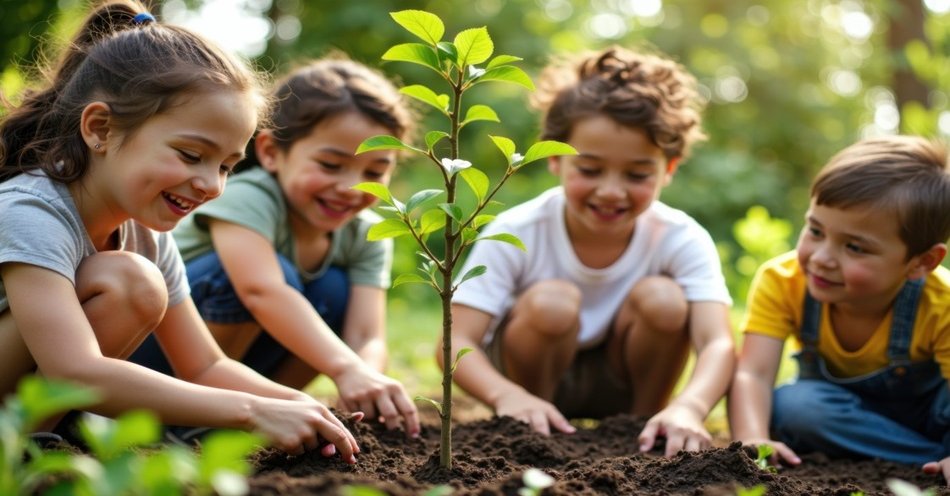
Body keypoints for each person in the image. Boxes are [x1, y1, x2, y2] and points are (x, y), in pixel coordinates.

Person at [0, 0, 360, 461]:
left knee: (133, 280)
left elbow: (205, 364)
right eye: (191, 155)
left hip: (26, 409)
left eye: (228, 166)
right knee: (130, 281)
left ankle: (34, 448)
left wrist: (295, 404)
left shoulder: (147, 231)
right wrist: (251, 412)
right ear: (100, 128)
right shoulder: (33, 210)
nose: (212, 185)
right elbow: (75, 372)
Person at [440, 46, 736, 457]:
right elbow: (454, 342)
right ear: (554, 158)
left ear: (668, 169)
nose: (611, 191)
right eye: (590, 169)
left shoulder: (679, 236)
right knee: (552, 303)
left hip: (622, 382)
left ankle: (643, 433)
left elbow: (717, 342)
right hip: (530, 378)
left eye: (636, 174)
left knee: (665, 300)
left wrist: (691, 406)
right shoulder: (519, 229)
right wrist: (507, 397)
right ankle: (532, 431)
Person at [128, 57, 420, 436]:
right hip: (159, 355)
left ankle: (252, 418)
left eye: (375, 172)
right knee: (246, 276)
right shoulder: (248, 197)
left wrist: (364, 377)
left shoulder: (366, 233)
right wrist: (345, 367)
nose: (351, 186)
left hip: (239, 369)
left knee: (334, 289)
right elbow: (260, 291)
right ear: (269, 152)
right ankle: (187, 418)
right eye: (331, 164)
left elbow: (366, 335)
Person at [728, 135, 950, 480]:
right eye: (815, 230)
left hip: (932, 413)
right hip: (843, 415)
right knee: (795, 407)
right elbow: (752, 374)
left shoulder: (942, 302)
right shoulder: (782, 281)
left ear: (922, 262)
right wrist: (752, 438)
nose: (821, 258)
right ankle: (928, 459)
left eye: (855, 248)